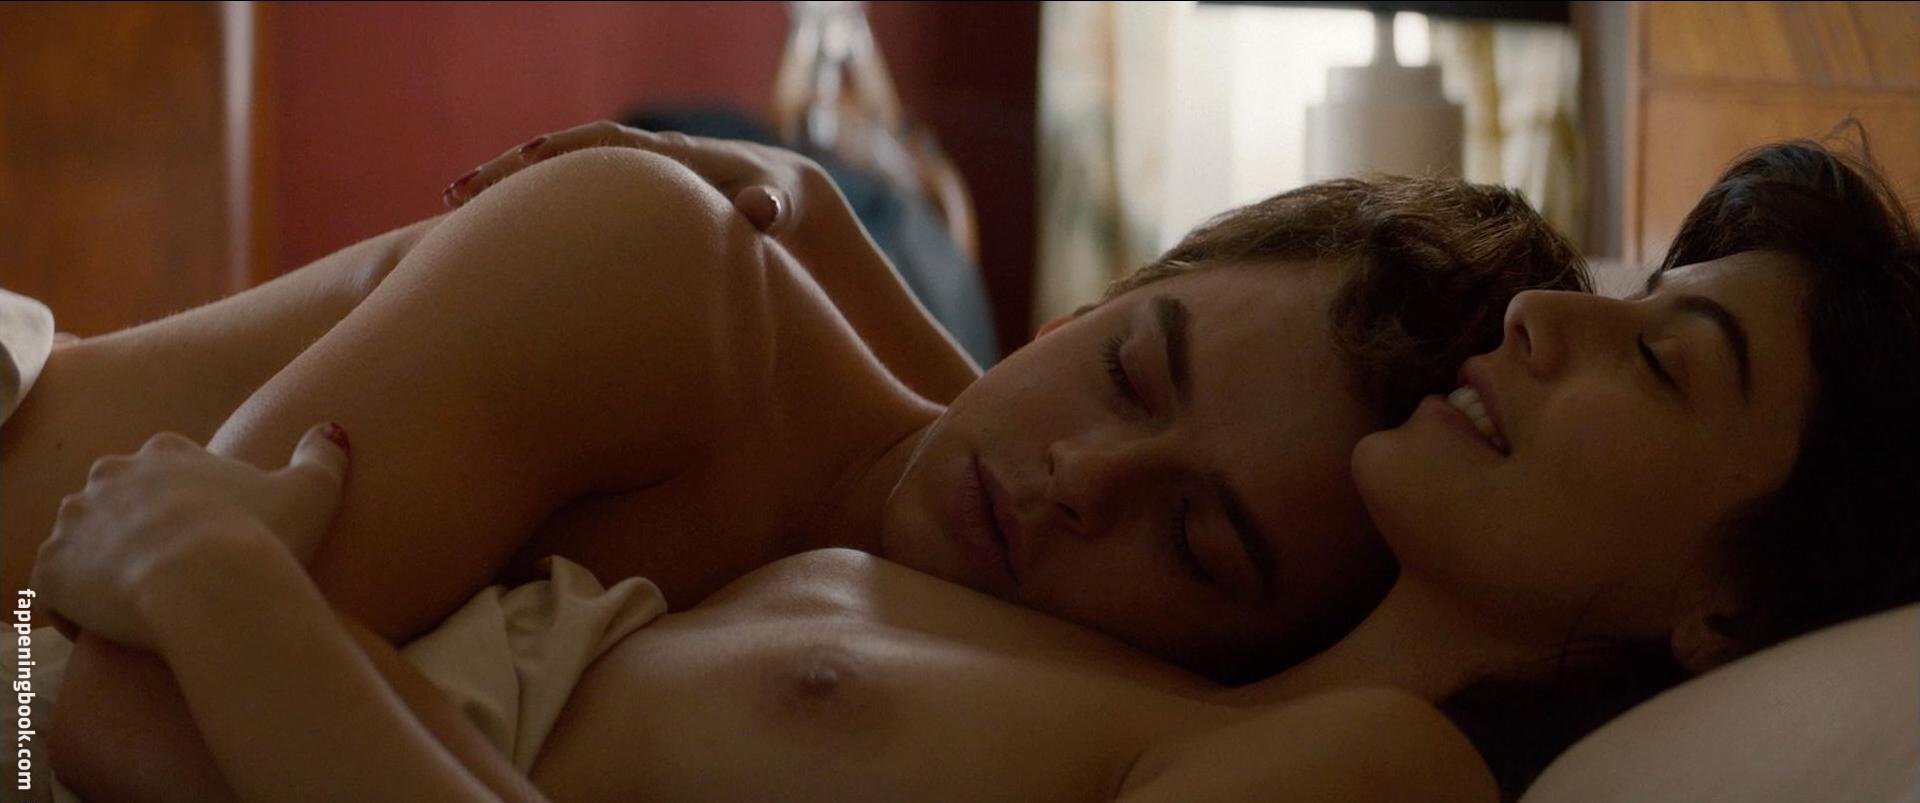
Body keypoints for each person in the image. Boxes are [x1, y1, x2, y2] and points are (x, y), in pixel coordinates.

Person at [28, 133, 1920, 802]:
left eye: (1661, 354)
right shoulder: (1184, 676)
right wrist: (815, 224)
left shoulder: (1354, 759)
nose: (1553, 323)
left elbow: (93, 698)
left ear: (1726, 606)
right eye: (1131, 357)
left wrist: (228, 590)